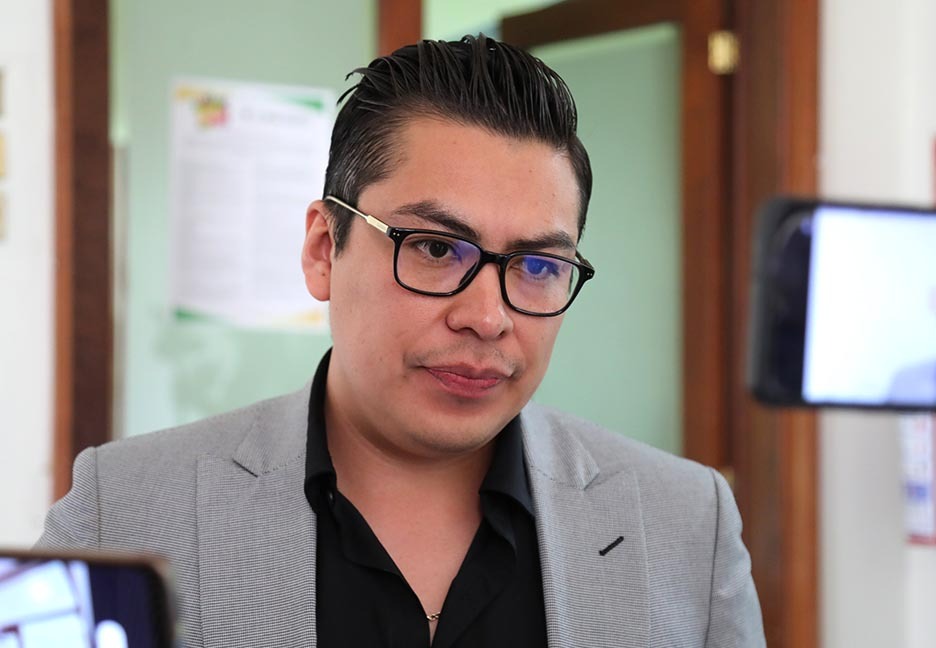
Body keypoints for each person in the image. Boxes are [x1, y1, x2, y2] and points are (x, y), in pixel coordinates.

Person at [38, 35, 765, 647]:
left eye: (539, 266)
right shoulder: (123, 510)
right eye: (436, 249)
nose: (487, 317)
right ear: (324, 250)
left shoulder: (684, 525)